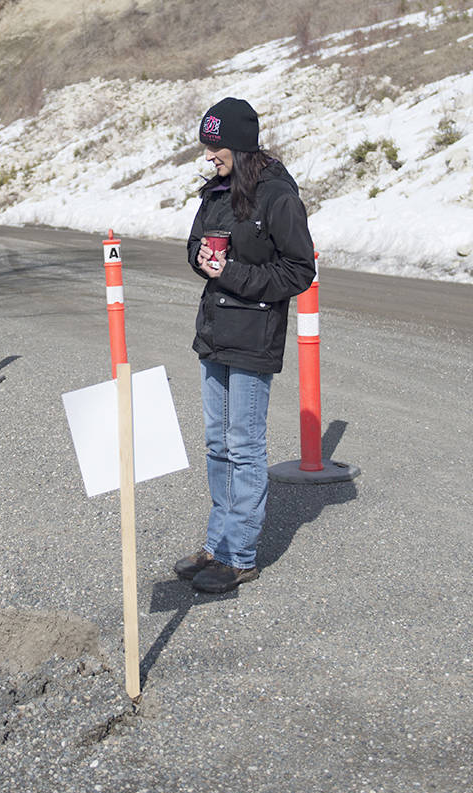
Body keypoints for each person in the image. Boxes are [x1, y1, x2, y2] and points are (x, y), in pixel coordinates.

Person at [174, 97, 317, 593]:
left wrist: (231, 272)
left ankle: (240, 555)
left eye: (217, 148)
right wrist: (204, 260)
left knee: (244, 445)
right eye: (207, 148)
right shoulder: (215, 191)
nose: (209, 157)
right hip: (214, 331)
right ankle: (217, 543)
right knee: (216, 444)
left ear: (240, 145)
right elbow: (195, 245)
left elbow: (299, 270)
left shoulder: (278, 196)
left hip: (254, 337)